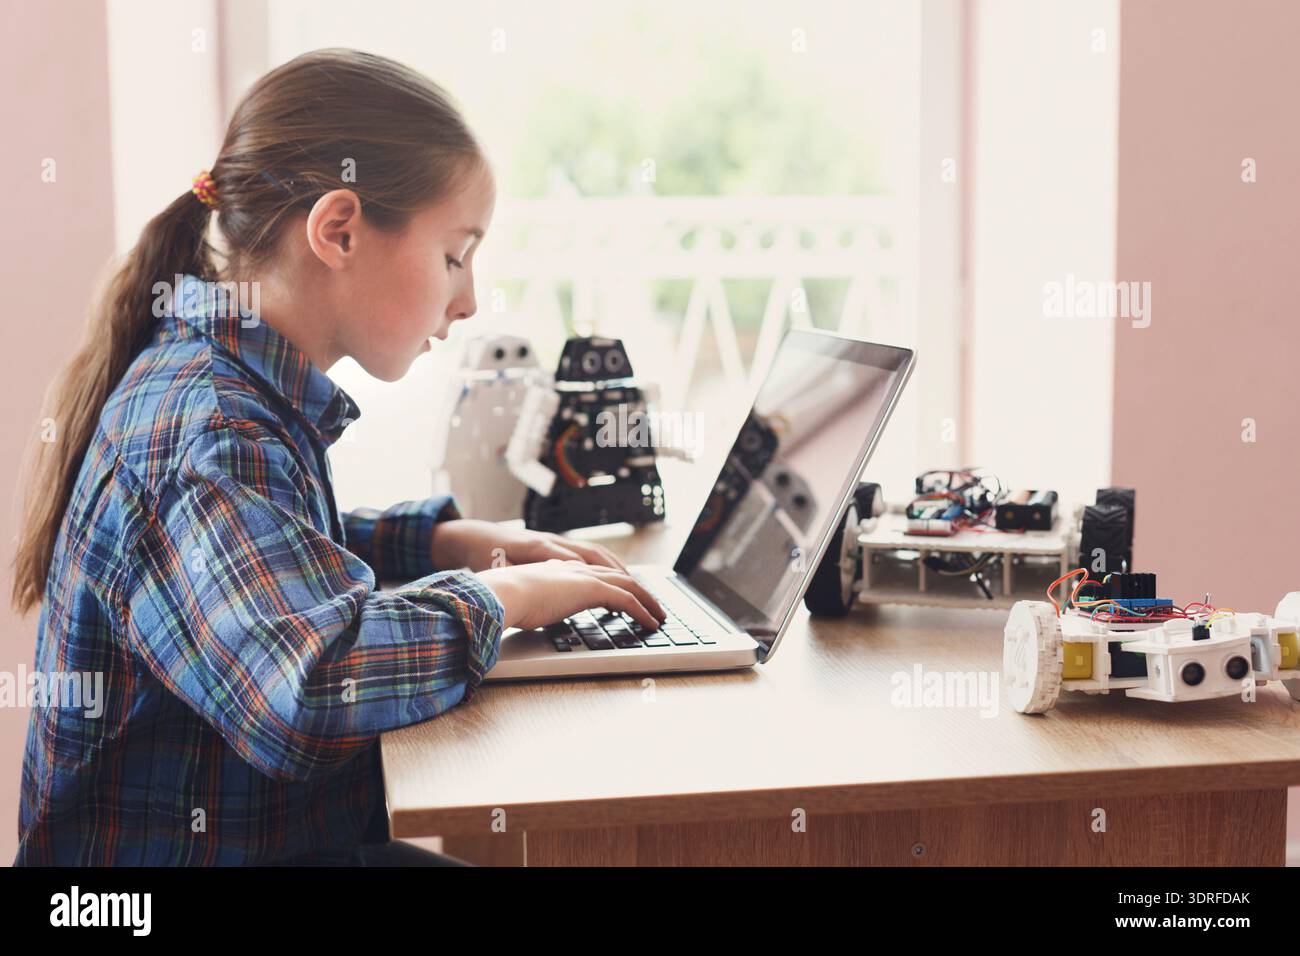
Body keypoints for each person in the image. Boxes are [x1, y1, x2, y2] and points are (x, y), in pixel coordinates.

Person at [10, 48, 664, 866]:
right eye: (456, 255)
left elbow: (269, 559)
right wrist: (502, 597)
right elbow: (308, 690)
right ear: (339, 230)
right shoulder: (212, 428)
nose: (466, 301)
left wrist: (438, 544)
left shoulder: (233, 387)